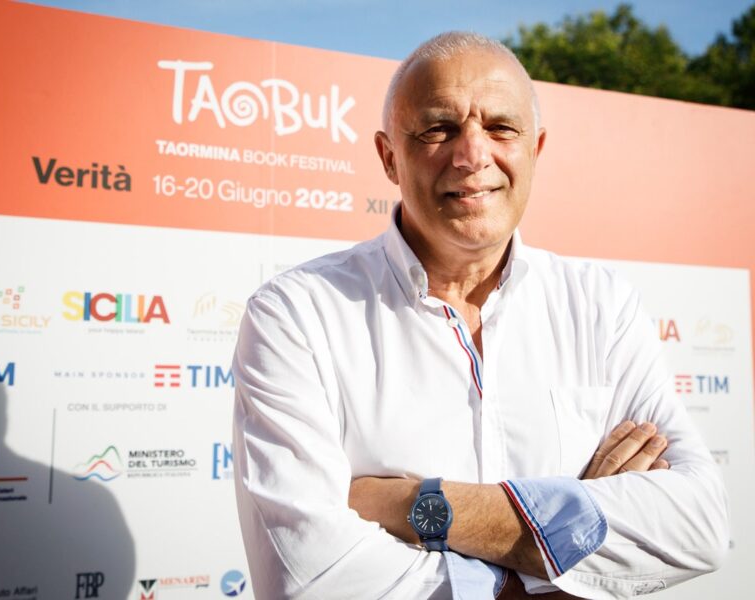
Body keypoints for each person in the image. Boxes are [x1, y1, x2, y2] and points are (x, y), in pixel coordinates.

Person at [232, 32, 728, 599]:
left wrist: (414, 505)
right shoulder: (296, 315)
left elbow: (699, 525)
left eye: (501, 128)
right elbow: (310, 581)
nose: (471, 155)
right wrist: (566, 543)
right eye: (438, 129)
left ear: (535, 149)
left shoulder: (601, 305)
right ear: (389, 157)